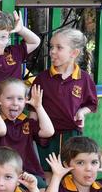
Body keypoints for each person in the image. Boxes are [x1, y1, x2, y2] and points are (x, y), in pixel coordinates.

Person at [33, 28, 98, 180]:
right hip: (47, 137)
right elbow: (33, 110)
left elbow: (92, 104)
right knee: (48, 173)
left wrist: (82, 112)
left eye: (59, 47)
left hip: (72, 135)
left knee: (72, 173)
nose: (52, 51)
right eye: (51, 47)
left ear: (74, 53)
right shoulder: (42, 79)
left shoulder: (84, 79)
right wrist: (35, 131)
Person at [0, 78, 54, 189]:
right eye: (9, 98)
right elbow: (1, 130)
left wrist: (38, 107)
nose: (15, 103)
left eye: (20, 98)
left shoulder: (27, 123)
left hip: (28, 175)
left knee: (41, 187)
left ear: (26, 100)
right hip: (3, 178)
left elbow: (48, 131)